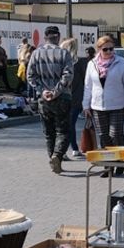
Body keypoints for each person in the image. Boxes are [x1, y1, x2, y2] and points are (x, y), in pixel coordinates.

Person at [83, 35, 124, 172]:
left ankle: (120, 162)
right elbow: (88, 86)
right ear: (99, 49)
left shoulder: (122, 62)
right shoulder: (92, 64)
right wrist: (86, 105)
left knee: (115, 134)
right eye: (105, 49)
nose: (109, 52)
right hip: (97, 105)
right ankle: (108, 165)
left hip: (117, 105)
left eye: (111, 49)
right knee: (103, 136)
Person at [25, 26, 74, 173]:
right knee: (63, 131)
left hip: (44, 100)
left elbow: (30, 76)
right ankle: (57, 156)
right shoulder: (64, 53)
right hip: (62, 98)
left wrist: (43, 90)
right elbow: (68, 75)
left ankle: (52, 157)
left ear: (45, 37)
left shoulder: (36, 54)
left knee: (48, 132)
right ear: (58, 37)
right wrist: (56, 91)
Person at [66, 39, 88, 158]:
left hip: (63, 96)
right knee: (71, 124)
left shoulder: (61, 61)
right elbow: (85, 80)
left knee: (65, 124)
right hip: (76, 97)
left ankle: (65, 149)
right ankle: (73, 148)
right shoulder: (78, 62)